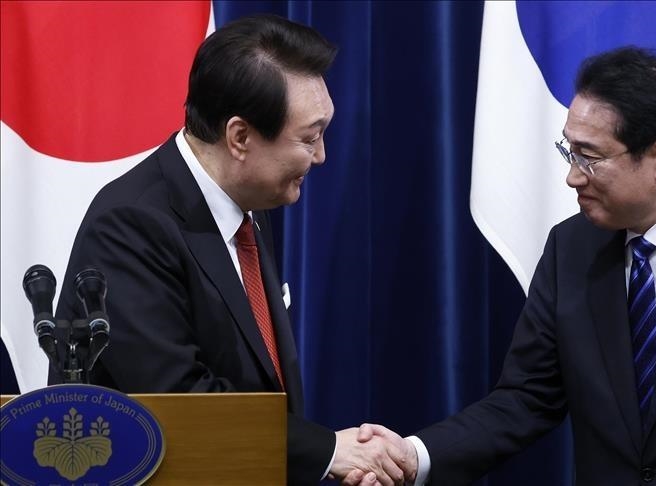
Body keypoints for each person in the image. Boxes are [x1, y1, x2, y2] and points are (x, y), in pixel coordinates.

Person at [354, 46, 656, 484]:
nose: (573, 177)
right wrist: (414, 456)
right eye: (569, 151)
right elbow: (526, 399)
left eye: (590, 158)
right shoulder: (570, 249)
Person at [53, 14, 410, 486]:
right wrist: (327, 452)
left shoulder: (247, 203)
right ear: (240, 137)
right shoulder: (129, 226)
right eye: (309, 138)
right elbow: (178, 402)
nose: (322, 155)